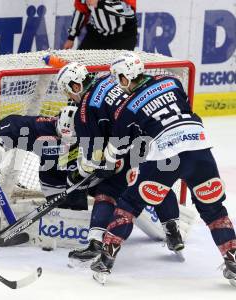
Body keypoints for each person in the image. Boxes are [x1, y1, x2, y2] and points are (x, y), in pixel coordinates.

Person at [84, 52, 236, 286]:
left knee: (129, 204)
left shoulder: (126, 107)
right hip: (199, 148)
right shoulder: (172, 81)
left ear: (126, 78)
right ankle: (233, 261)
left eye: (118, 79)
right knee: (214, 209)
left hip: (166, 156)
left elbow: (115, 148)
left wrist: (106, 162)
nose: (118, 84)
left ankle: (105, 260)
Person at [54, 64, 184, 266]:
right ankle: (173, 230)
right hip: (157, 136)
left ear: (76, 85)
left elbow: (92, 160)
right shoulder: (109, 79)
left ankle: (96, 243)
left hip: (125, 148)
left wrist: (77, 177)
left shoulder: (85, 111)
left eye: (68, 91)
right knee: (157, 182)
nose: (70, 97)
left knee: (108, 190)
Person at [63, 0, 137, 50]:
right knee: (81, 66)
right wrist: (71, 37)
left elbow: (128, 12)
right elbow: (81, 10)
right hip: (97, 35)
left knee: (121, 68)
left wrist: (100, 3)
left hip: (123, 36)